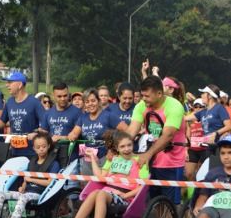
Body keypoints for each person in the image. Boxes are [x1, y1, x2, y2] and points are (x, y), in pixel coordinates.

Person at [59, 131, 149, 218]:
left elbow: (143, 186)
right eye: (122, 146)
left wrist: (125, 195)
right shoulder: (113, 159)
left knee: (100, 193)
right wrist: (92, 157)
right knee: (94, 193)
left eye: (129, 145)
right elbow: (100, 177)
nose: (126, 149)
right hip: (108, 192)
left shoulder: (140, 162)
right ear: (117, 148)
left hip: (125, 197)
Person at [126, 76, 187, 206]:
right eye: (142, 95)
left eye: (147, 96)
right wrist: (116, 148)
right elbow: (132, 130)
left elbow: (167, 136)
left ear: (159, 93)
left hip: (171, 163)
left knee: (170, 205)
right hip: (151, 162)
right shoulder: (141, 106)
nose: (143, 99)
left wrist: (148, 154)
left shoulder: (174, 106)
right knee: (156, 203)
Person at [0, 133, 60, 218]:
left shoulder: (54, 164)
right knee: (1, 194)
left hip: (41, 194)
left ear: (49, 146)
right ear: (34, 148)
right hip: (27, 192)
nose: (41, 149)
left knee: (24, 197)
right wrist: (23, 186)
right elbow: (25, 179)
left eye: (44, 146)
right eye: (38, 147)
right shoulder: (32, 162)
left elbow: (50, 182)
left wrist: (31, 179)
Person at [0, 72, 45, 157]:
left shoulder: (34, 102)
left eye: (10, 82)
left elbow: (46, 123)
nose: (7, 85)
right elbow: (2, 120)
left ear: (19, 84)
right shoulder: (9, 102)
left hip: (31, 151)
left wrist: (36, 132)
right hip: (14, 150)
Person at [68, 88, 128, 174]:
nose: (90, 104)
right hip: (87, 158)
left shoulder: (108, 115)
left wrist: (113, 149)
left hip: (104, 157)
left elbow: (127, 131)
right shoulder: (83, 117)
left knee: (101, 186)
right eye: (87, 102)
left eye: (93, 101)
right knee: (86, 186)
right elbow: (74, 134)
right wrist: (71, 135)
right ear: (84, 104)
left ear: (98, 101)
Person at [184, 98, 206, 181]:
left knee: (203, 175)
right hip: (192, 149)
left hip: (204, 149)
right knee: (189, 174)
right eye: (196, 107)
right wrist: (186, 151)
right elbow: (187, 136)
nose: (198, 108)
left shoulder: (206, 119)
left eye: (200, 107)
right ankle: (190, 193)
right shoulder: (189, 120)